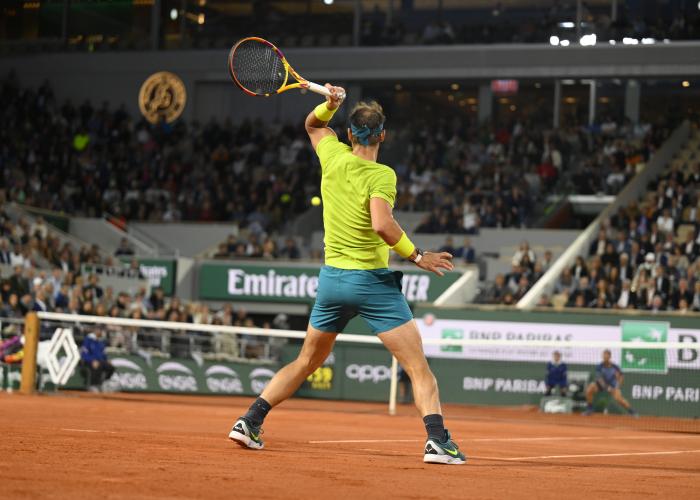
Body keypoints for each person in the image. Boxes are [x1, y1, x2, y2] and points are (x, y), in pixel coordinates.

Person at [228, 86, 465, 465]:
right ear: (383, 135)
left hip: (332, 282)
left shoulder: (332, 155)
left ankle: (250, 421)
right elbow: (382, 225)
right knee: (418, 368)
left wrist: (329, 104)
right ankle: (438, 441)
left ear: (350, 134)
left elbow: (312, 125)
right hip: (370, 284)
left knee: (306, 361)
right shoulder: (381, 175)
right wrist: (417, 255)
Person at [583, 349, 638, 416]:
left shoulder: (615, 367)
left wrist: (617, 386)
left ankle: (632, 412)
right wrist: (607, 387)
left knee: (619, 399)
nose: (604, 357)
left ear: (609, 357)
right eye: (603, 355)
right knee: (590, 388)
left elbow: (621, 376)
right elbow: (600, 379)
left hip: (613, 386)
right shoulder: (599, 366)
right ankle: (589, 409)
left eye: (606, 355)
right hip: (601, 386)